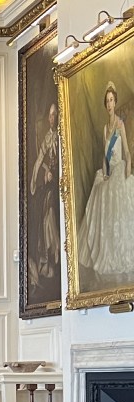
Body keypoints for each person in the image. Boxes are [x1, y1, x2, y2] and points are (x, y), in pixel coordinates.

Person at [76, 81, 134, 286]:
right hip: (110, 172)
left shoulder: (120, 124)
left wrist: (128, 169)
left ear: (115, 102)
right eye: (107, 101)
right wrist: (105, 173)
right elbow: (104, 157)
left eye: (112, 100)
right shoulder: (104, 128)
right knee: (98, 188)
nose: (110, 104)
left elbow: (126, 150)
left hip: (120, 170)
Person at [27, 101, 61, 304]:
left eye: (55, 114)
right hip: (51, 186)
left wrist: (52, 171)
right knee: (46, 214)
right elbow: (39, 160)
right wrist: (35, 180)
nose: (52, 118)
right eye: (50, 115)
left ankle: (56, 258)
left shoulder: (61, 136)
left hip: (61, 184)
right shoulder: (47, 138)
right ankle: (50, 258)